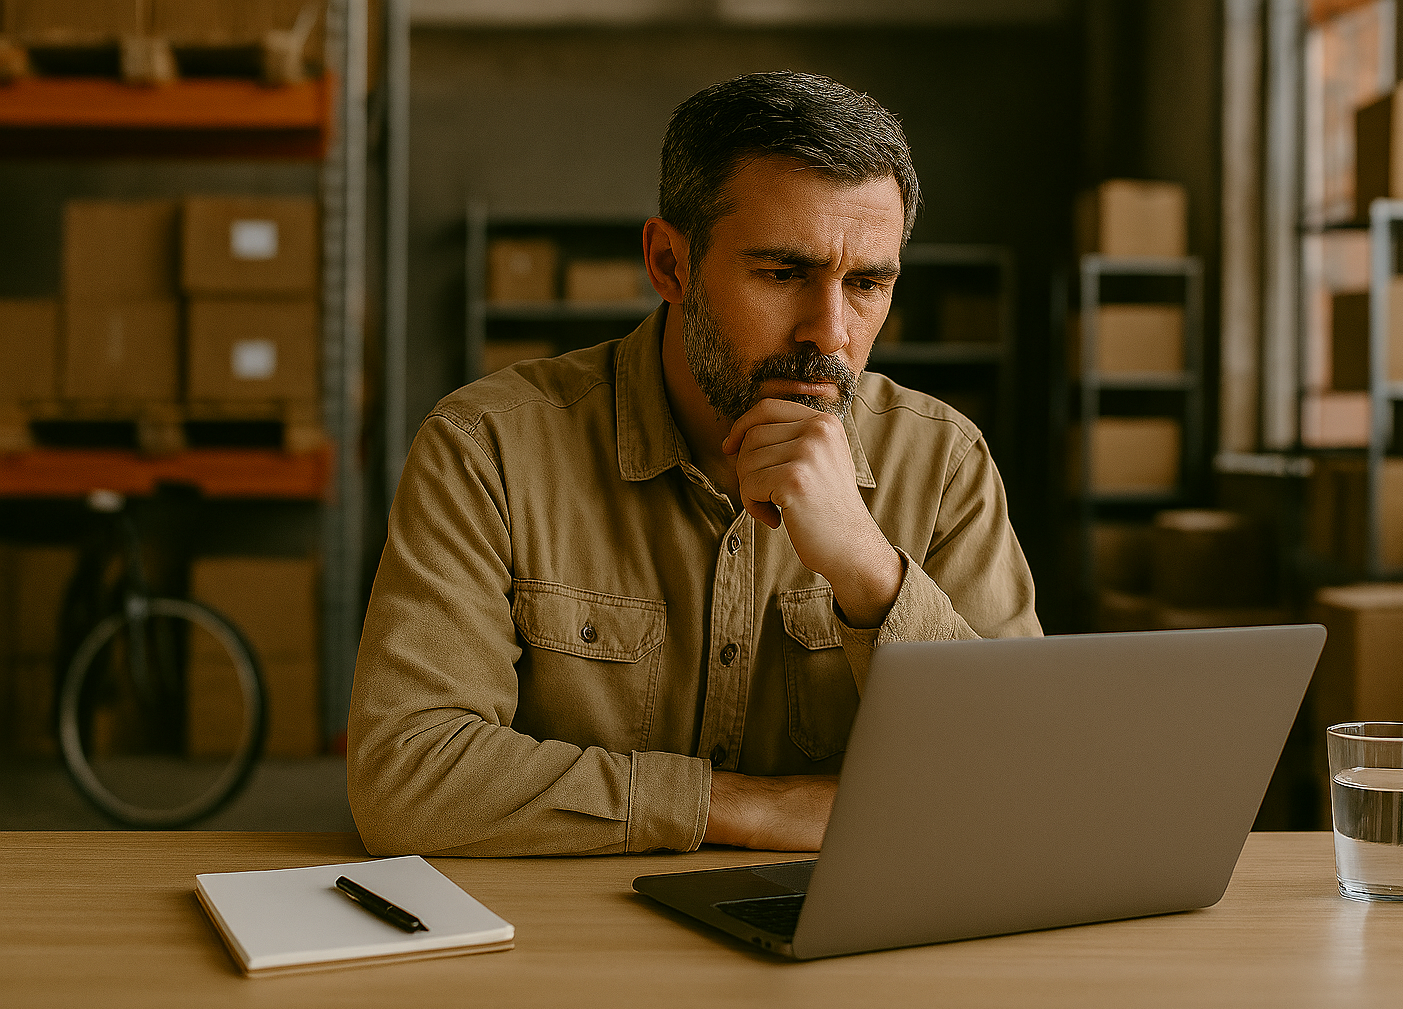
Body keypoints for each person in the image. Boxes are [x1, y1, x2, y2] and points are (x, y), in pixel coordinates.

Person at [348, 70, 1041, 858]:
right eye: (783, 274)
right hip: (565, 945)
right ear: (670, 263)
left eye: (867, 284)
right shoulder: (487, 450)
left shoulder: (944, 463)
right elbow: (406, 778)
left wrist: (869, 572)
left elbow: (1020, 782)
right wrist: (747, 810)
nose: (830, 332)